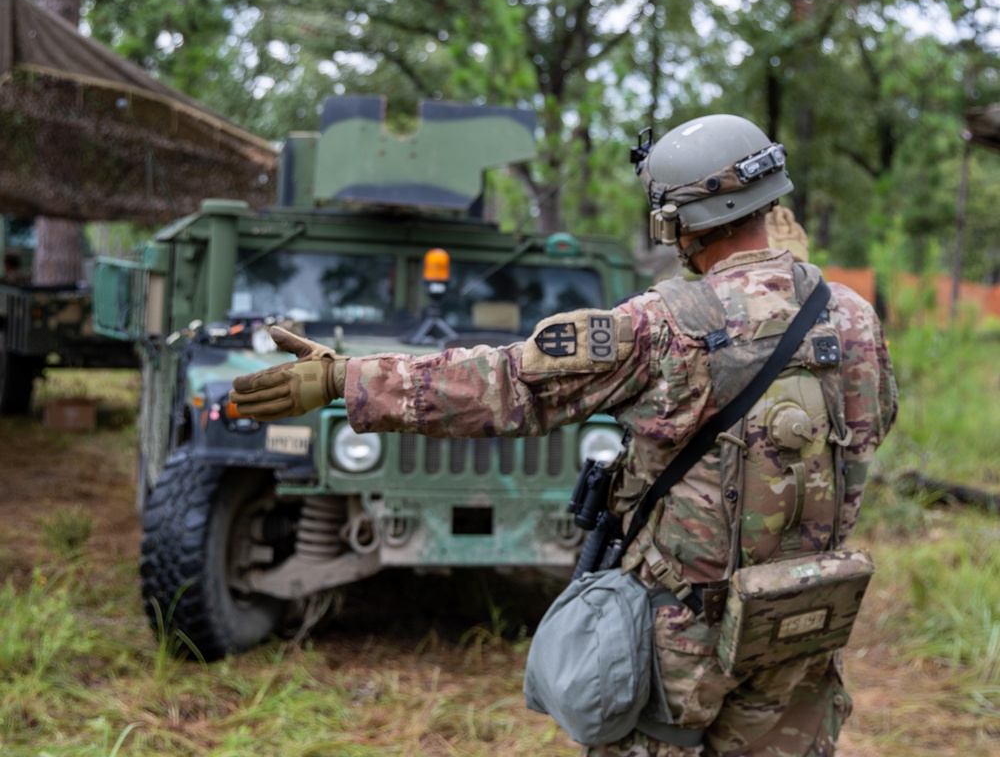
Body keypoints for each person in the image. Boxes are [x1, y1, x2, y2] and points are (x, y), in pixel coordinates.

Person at [230, 113, 898, 757]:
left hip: (685, 632)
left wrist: (343, 379)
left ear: (675, 224)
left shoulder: (661, 323)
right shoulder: (853, 316)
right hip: (803, 616)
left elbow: (505, 385)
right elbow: (872, 425)